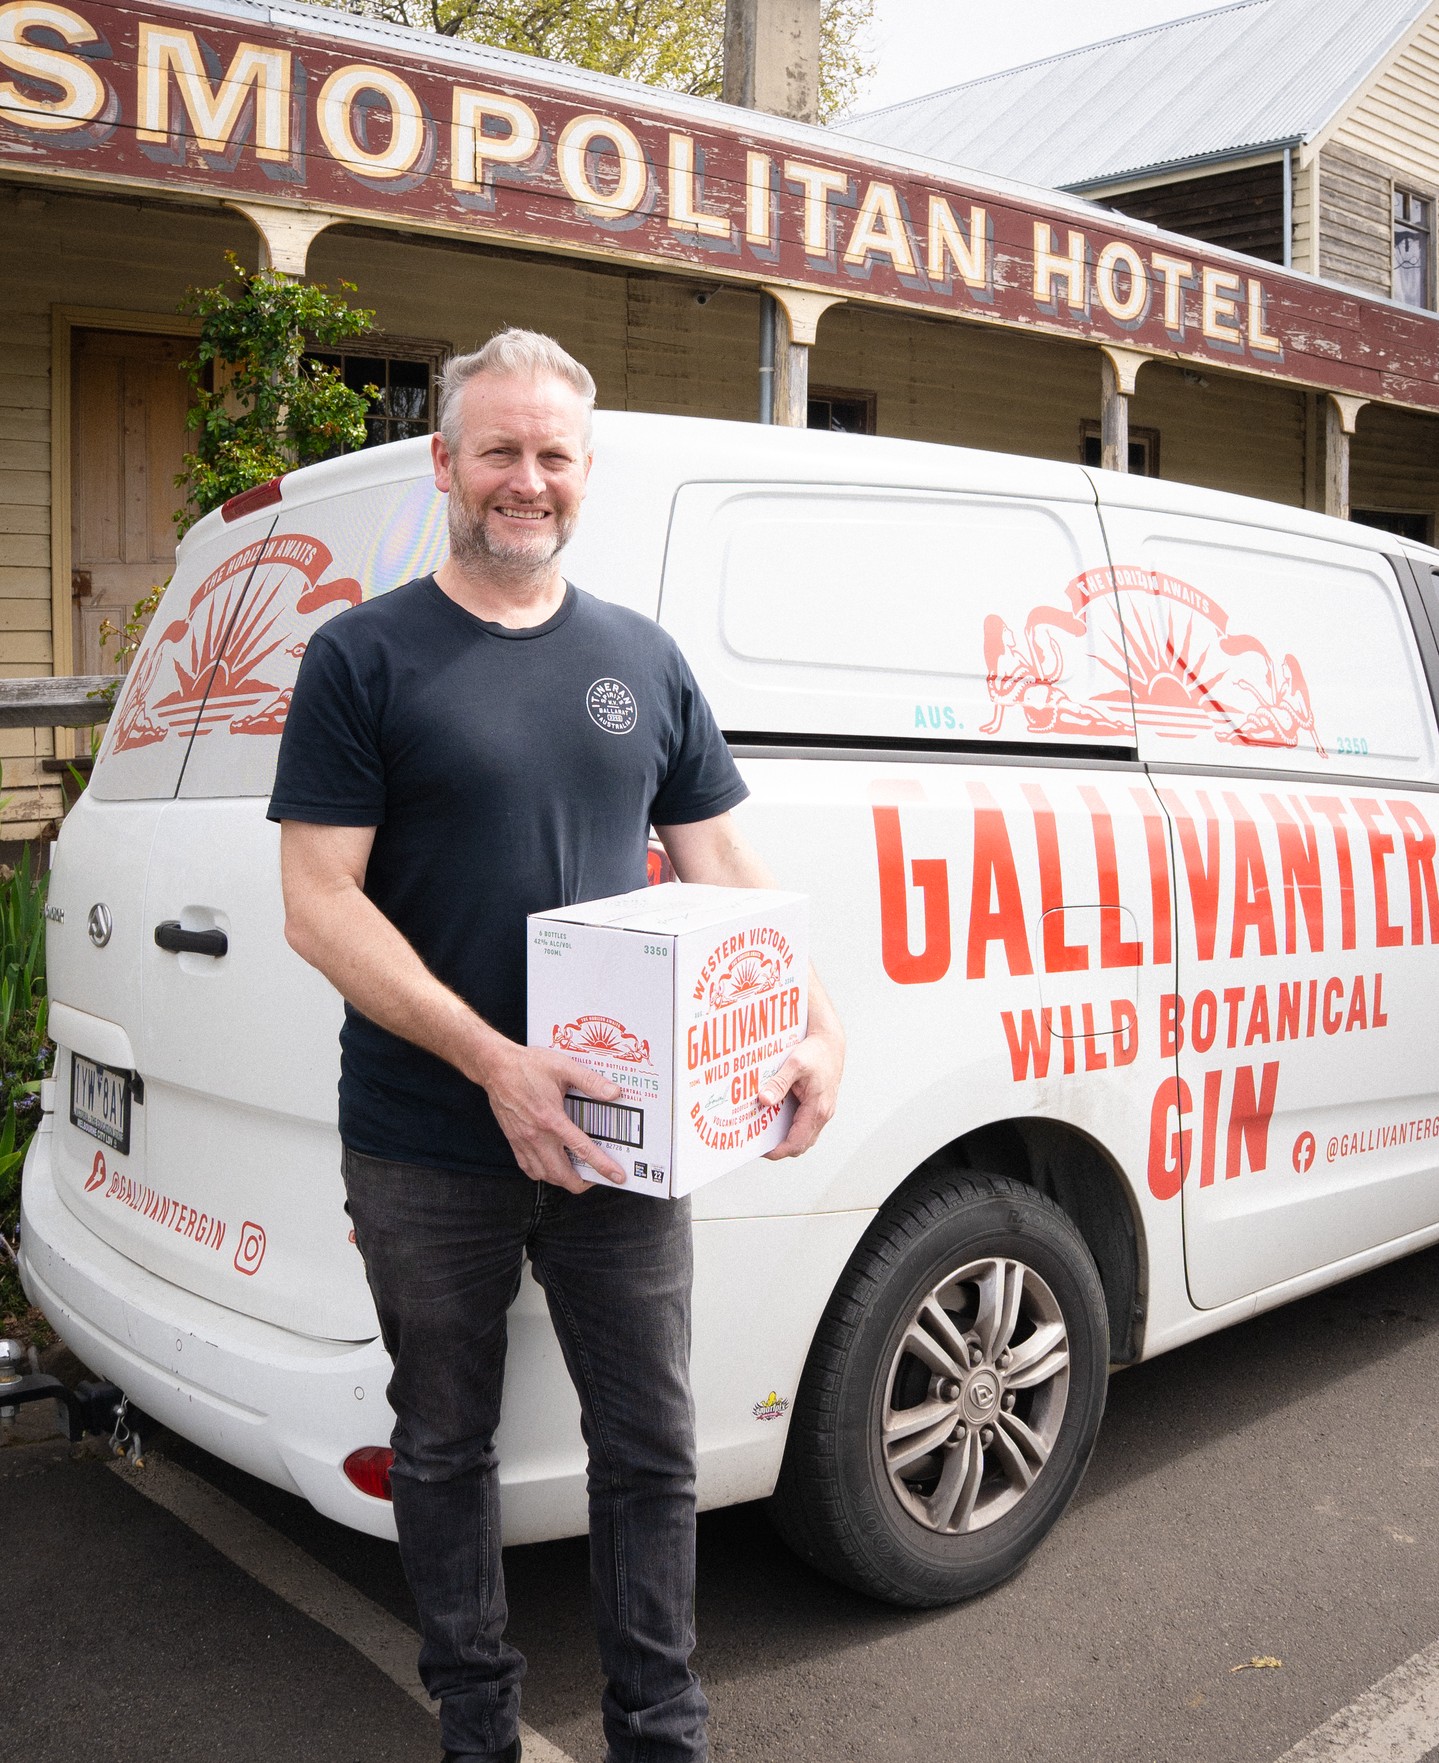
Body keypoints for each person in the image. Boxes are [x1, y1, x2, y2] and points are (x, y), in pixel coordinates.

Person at [268, 328, 845, 1763]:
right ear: (444, 463)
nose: (527, 481)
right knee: (446, 1447)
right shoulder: (363, 655)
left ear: (585, 474)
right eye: (500, 452)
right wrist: (496, 1065)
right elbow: (315, 902)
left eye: (554, 457)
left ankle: (663, 1731)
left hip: (630, 1136)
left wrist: (817, 1023)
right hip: (425, 1138)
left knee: (649, 1447)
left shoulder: (639, 660)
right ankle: (477, 1723)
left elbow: (722, 864)